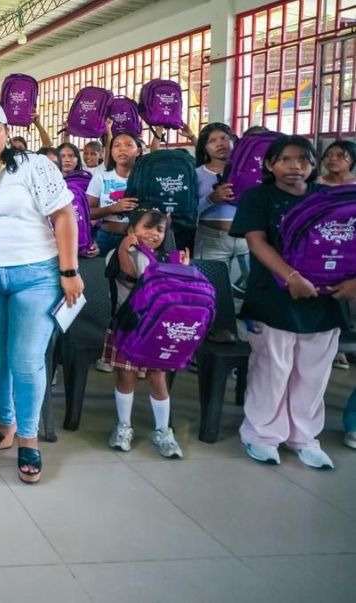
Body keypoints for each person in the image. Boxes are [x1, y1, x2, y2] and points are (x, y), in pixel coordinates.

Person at [0, 101, 82, 484]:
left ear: (7, 131)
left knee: (25, 358)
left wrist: (69, 270)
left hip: (36, 276)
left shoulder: (33, 165)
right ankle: (5, 424)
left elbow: (64, 215)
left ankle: (29, 437)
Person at [229, 135, 354, 469]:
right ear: (270, 165)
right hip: (274, 297)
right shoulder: (259, 197)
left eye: (303, 159)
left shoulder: (330, 198)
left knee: (313, 373)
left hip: (326, 299)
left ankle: (303, 437)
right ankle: (261, 435)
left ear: (314, 164)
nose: (294, 166)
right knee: (273, 368)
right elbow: (257, 242)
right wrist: (291, 277)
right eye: (285, 159)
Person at [103, 209, 186, 458]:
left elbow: (176, 291)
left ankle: (162, 430)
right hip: (128, 326)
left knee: (157, 377)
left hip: (157, 329)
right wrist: (123, 249)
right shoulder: (116, 254)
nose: (154, 234)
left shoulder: (167, 258)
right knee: (126, 376)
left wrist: (183, 269)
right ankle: (123, 426)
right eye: (147, 227)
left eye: (160, 230)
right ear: (131, 230)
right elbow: (130, 280)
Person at [193, 123, 248, 302]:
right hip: (210, 238)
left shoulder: (248, 172)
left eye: (224, 138)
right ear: (204, 148)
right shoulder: (196, 174)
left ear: (233, 141)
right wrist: (211, 199)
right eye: (212, 141)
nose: (220, 143)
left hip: (248, 238)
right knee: (211, 290)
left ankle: (246, 318)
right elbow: (189, 211)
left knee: (257, 287)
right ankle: (218, 320)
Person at [318, 140, 356, 370]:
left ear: (352, 160)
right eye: (329, 155)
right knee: (325, 295)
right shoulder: (316, 185)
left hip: (350, 248)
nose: (333, 159)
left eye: (340, 155)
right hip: (321, 246)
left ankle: (343, 345)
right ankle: (331, 348)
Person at [87, 132, 142, 258]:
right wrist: (113, 208)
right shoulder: (101, 177)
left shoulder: (145, 177)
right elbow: (88, 212)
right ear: (111, 151)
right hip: (106, 238)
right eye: (117, 145)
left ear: (138, 151)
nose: (122, 149)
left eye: (128, 145)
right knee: (102, 270)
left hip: (137, 238)